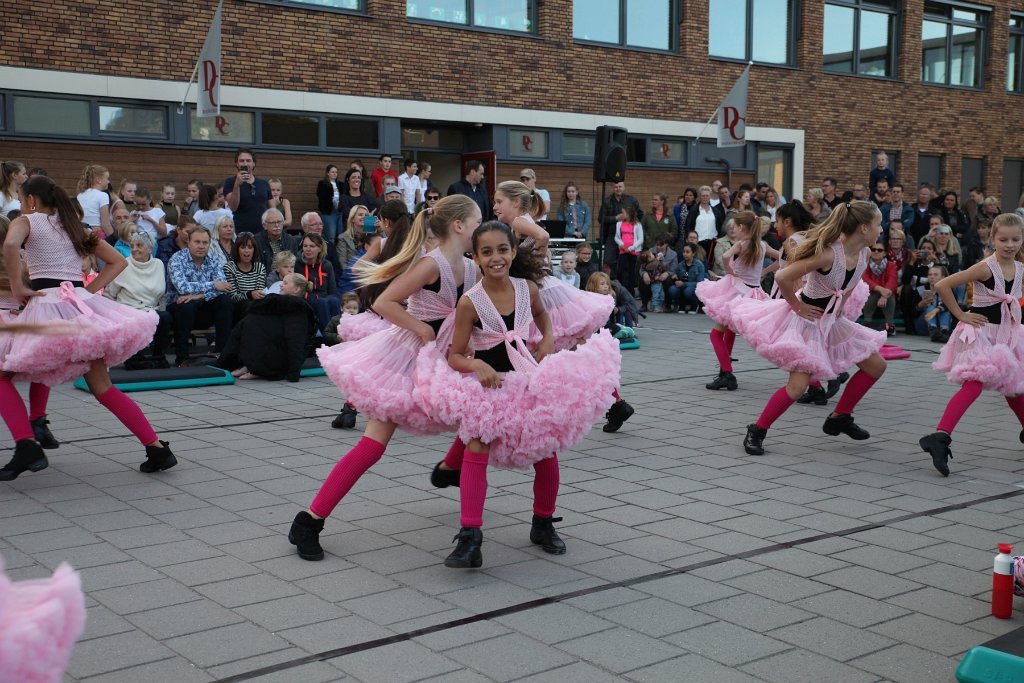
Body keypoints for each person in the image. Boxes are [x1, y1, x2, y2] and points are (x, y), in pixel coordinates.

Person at [416, 220, 619, 568]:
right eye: (487, 252)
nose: (496, 258)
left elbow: (542, 317)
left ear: (512, 251)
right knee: (477, 445)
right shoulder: (470, 302)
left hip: (525, 378)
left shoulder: (527, 289)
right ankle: (470, 537)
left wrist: (550, 338)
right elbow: (454, 353)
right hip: (489, 385)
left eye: (502, 249)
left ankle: (542, 522)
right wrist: (475, 366)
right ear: (476, 258)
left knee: (546, 450)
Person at [289, 195, 481, 561]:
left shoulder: (470, 267)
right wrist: (421, 328)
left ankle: (450, 471)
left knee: (476, 419)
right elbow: (385, 302)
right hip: (406, 358)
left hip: (446, 358)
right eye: (476, 220)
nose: (480, 225)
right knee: (373, 445)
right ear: (459, 226)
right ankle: (309, 521)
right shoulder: (431, 264)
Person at [0, 175, 175, 478]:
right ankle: (156, 447)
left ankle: (26, 444)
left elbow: (10, 244)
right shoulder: (74, 227)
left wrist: (17, 286)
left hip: (47, 306)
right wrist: (87, 294)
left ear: (30, 200)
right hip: (78, 307)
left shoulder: (29, 221)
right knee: (102, 386)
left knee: (3, 376)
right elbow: (119, 262)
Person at [731, 202, 888, 456]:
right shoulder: (828, 254)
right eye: (878, 224)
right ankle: (757, 429)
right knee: (797, 387)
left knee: (876, 365)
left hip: (831, 322)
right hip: (806, 323)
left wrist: (842, 305)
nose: (881, 230)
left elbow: (849, 285)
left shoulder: (863, 254)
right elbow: (783, 277)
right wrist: (797, 306)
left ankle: (840, 416)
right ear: (863, 227)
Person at [920, 213, 1024, 476]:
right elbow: (943, 284)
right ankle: (940, 437)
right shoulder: (985, 267)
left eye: (1015, 239)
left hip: (1007, 334)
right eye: (1003, 239)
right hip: (980, 332)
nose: (1009, 244)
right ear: (992, 239)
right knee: (975, 384)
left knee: (1014, 388)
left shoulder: (1021, 268)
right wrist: (960, 313)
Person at [696, 211, 780, 391]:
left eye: (735, 227)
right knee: (730, 331)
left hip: (736, 291)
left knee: (716, 334)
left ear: (742, 227)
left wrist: (730, 270)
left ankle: (727, 373)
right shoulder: (762, 245)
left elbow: (726, 256)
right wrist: (766, 271)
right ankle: (724, 371)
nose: (734, 230)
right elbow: (782, 258)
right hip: (753, 293)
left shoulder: (742, 244)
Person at [0, 216, 60, 449]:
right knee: (40, 369)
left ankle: (26, 441)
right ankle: (37, 419)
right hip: (20, 320)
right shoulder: (22, 261)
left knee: (2, 381)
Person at [216, 273, 316, 382]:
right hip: (266, 352)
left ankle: (258, 368)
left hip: (278, 358)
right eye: (282, 282)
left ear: (296, 289)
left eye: (285, 283)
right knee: (251, 321)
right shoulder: (275, 304)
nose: (281, 285)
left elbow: (296, 341)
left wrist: (294, 374)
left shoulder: (297, 308)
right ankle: (249, 365)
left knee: (256, 323)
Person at [166, 226, 234, 367]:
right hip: (178, 310)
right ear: (188, 242)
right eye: (197, 242)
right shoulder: (177, 259)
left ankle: (221, 353)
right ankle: (182, 358)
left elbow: (223, 288)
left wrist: (200, 295)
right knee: (187, 305)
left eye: (205, 242)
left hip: (203, 309)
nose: (201, 246)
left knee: (225, 301)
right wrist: (213, 285)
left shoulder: (214, 260)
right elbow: (182, 288)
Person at [103, 231, 171, 367]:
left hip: (151, 309)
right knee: (139, 318)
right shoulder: (123, 265)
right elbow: (109, 294)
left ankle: (158, 356)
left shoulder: (158, 265)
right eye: (132, 246)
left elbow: (162, 295)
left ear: (150, 248)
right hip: (128, 310)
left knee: (166, 317)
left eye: (139, 245)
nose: (134, 249)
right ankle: (133, 359)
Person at [224, 148, 271, 234]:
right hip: (240, 231)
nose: (245, 163)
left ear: (253, 164)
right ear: (237, 164)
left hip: (262, 233)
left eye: (248, 160)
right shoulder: (230, 182)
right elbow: (233, 207)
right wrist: (237, 185)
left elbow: (272, 209)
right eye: (242, 160)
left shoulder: (264, 183)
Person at [298, 233, 339, 330]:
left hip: (324, 297)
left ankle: (339, 333)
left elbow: (332, 290)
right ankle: (328, 336)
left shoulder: (327, 265)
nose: (308, 249)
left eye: (312, 246)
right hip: (306, 298)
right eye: (305, 246)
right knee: (322, 303)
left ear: (320, 248)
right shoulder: (297, 264)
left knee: (335, 300)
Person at [224, 231, 267, 323]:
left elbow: (260, 293)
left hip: (256, 306)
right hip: (238, 309)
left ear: (254, 250)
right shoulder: (230, 267)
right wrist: (250, 294)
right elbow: (233, 296)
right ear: (237, 250)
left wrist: (255, 295)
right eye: (243, 247)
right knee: (247, 305)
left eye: (250, 247)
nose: (246, 250)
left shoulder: (260, 267)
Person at [600, 181, 642, 269]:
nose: (618, 189)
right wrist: (615, 218)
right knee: (608, 261)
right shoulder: (607, 201)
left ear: (624, 187)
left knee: (627, 263)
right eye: (616, 187)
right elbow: (601, 219)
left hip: (630, 236)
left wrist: (632, 221)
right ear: (613, 188)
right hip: (612, 234)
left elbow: (640, 215)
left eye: (620, 186)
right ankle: (611, 281)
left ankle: (623, 282)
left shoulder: (632, 200)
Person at [862, 239, 898, 335]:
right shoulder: (864, 264)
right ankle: (867, 322)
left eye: (880, 250)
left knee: (890, 294)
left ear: (885, 253)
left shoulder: (891, 265)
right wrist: (880, 289)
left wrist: (884, 295)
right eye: (873, 249)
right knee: (869, 293)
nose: (876, 252)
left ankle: (890, 325)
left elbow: (893, 281)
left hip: (885, 299)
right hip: (870, 295)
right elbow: (865, 280)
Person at [683, 185, 726, 260]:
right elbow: (688, 226)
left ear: (710, 197)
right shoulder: (694, 210)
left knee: (710, 266)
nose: (705, 197)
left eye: (707, 196)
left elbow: (720, 226)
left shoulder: (715, 211)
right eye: (703, 196)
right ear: (699, 197)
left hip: (713, 243)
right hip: (698, 243)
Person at [614, 203, 643, 294]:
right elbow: (617, 237)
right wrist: (621, 244)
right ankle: (620, 290)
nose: (622, 215)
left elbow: (640, 239)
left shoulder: (637, 225)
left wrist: (631, 248)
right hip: (623, 250)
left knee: (632, 271)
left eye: (623, 213)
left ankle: (631, 291)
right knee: (620, 271)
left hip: (633, 251)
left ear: (629, 214)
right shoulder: (619, 224)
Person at [668, 242, 706, 313]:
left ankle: (694, 305)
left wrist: (684, 284)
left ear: (693, 253)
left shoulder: (699, 265)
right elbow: (676, 274)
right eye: (684, 252)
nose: (685, 254)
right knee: (672, 289)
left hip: (692, 288)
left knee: (688, 291)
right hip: (682, 287)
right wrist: (674, 276)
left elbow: (700, 283)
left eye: (687, 252)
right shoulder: (680, 265)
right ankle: (681, 305)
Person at [76, 165, 112, 234]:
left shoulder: (80, 195)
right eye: (107, 178)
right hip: (95, 234)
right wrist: (114, 240)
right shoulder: (103, 195)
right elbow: (105, 225)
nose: (108, 182)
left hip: (81, 233)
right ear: (99, 180)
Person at [316, 165, 344, 243]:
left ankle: (339, 253)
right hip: (329, 212)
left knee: (341, 234)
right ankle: (330, 253)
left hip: (340, 211)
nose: (335, 174)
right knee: (331, 236)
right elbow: (321, 197)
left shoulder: (341, 184)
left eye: (336, 172)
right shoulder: (322, 184)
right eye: (332, 172)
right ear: (328, 173)